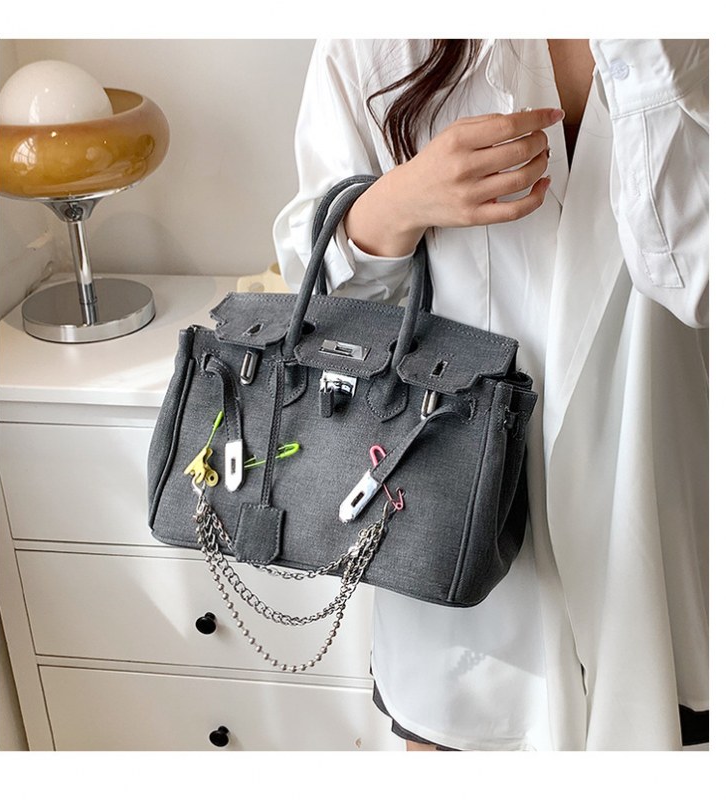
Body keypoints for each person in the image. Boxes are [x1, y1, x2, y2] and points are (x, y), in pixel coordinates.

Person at [272, 39, 708, 751]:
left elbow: (700, 281)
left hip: (671, 522)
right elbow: (318, 305)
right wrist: (399, 203)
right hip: (460, 555)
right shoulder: (377, 38)